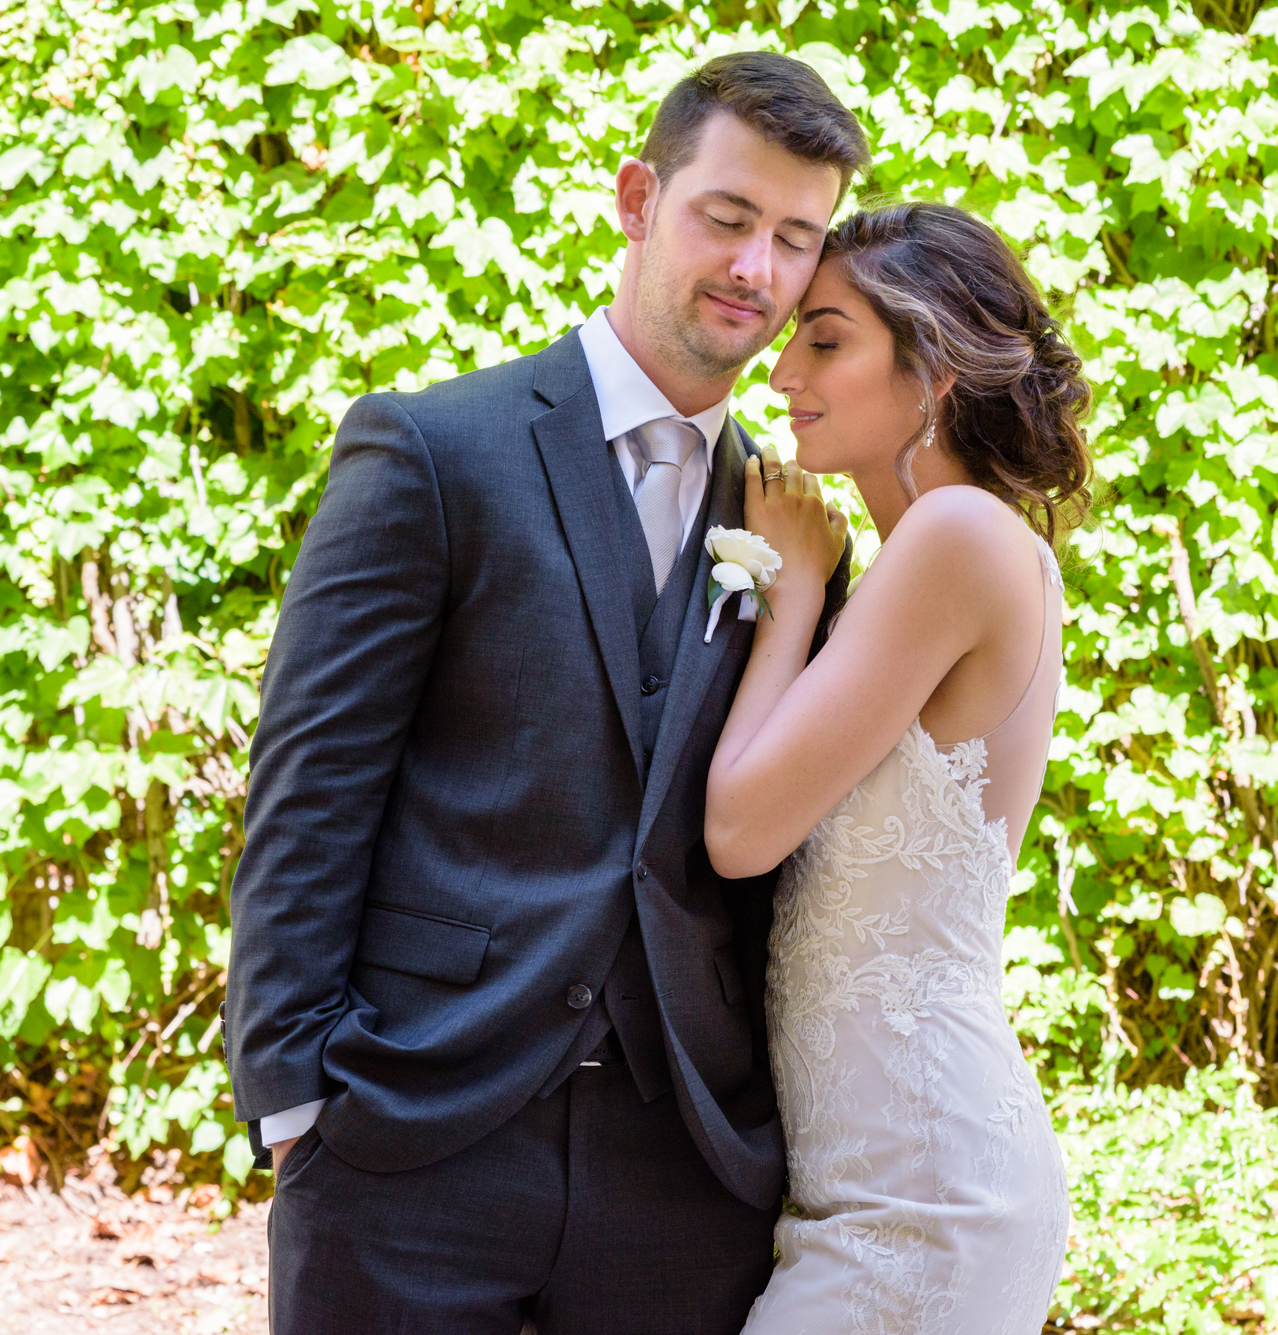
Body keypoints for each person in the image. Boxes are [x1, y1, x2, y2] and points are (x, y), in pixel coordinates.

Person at [224, 53, 865, 1335]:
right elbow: (309, 794)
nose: (756, 270)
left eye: (795, 241)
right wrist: (297, 1103)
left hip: (679, 1173)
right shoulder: (429, 451)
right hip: (410, 1147)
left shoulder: (793, 532)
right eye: (726, 217)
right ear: (637, 199)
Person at [706, 202, 1094, 1331]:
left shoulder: (954, 537)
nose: (782, 374)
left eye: (825, 339)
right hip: (869, 1192)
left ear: (932, 371)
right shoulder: (939, 552)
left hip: (927, 1203)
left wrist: (786, 594)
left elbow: (738, 829)